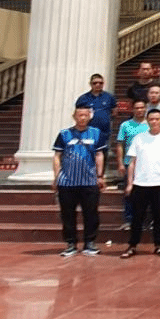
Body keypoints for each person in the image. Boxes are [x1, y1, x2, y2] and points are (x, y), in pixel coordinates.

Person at [121, 109, 160, 259]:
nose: (154, 122)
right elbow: (132, 162)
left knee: (159, 216)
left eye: (157, 119)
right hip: (140, 183)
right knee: (137, 217)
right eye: (151, 119)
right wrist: (130, 183)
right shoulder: (139, 138)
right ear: (147, 121)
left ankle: (158, 245)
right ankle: (132, 245)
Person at [52, 107, 106, 257]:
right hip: (67, 182)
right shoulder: (64, 134)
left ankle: (90, 242)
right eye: (79, 115)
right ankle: (71, 243)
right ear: (74, 116)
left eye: (85, 115)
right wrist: (56, 177)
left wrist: (100, 176)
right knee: (67, 214)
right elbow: (57, 156)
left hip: (89, 181)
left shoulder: (96, 133)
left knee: (91, 213)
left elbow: (99, 155)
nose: (82, 118)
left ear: (89, 117)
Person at [115, 100, 149, 230]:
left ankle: (144, 221)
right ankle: (129, 220)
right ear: (132, 110)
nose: (139, 110)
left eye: (142, 107)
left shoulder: (150, 124)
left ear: (145, 108)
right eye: (137, 108)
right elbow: (120, 145)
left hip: (147, 164)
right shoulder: (125, 125)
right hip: (129, 163)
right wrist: (120, 163)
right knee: (129, 192)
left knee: (145, 194)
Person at [75, 73, 117, 151]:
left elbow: (114, 112)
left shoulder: (109, 97)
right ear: (90, 84)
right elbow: (78, 114)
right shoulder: (83, 98)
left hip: (104, 132)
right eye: (95, 83)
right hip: (87, 132)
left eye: (100, 83)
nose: (98, 85)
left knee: (103, 153)